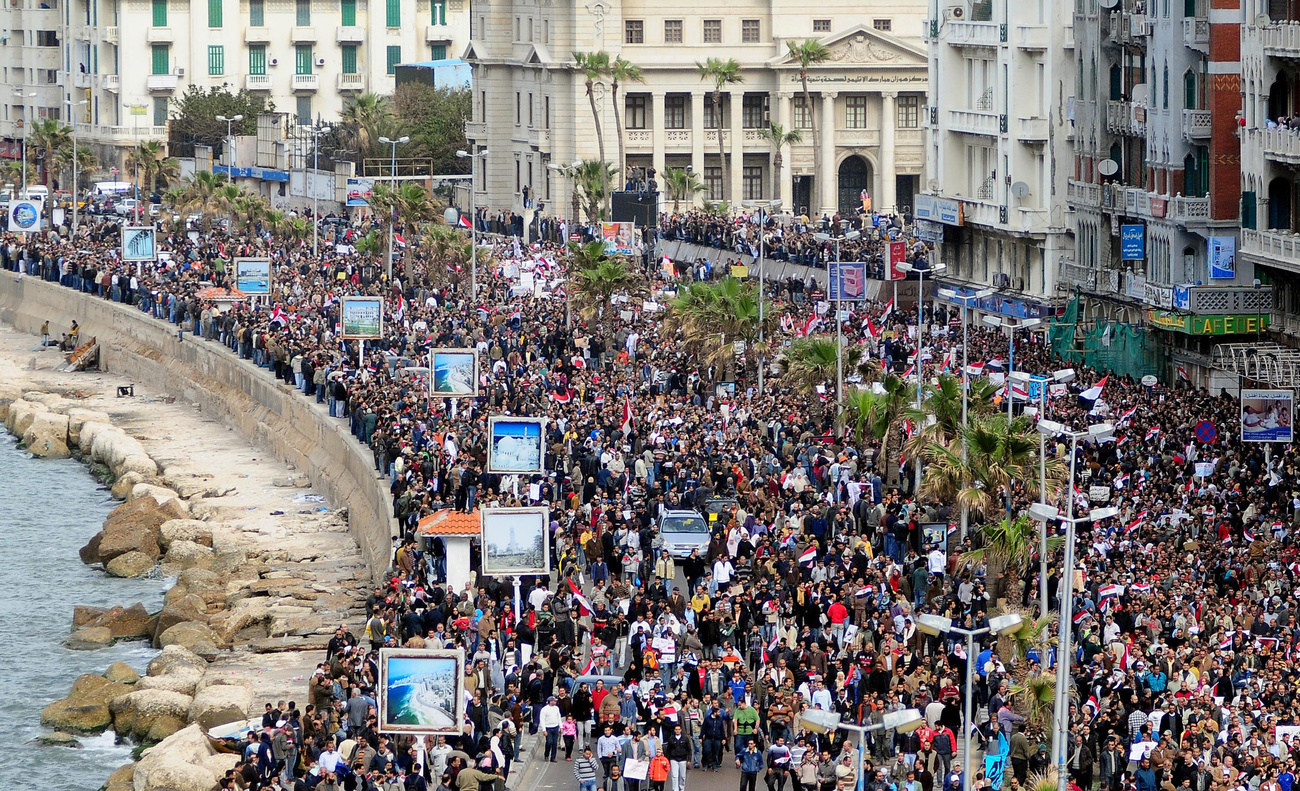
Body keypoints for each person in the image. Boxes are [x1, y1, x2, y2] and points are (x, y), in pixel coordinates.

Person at [542, 695, 563, 762]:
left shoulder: (556, 708)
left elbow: (558, 717)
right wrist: (544, 730)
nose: (555, 702)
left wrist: (561, 727)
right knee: (549, 742)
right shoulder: (544, 709)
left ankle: (553, 757)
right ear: (550, 701)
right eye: (554, 701)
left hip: (555, 727)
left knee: (554, 743)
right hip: (548, 728)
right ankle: (546, 754)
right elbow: (542, 720)